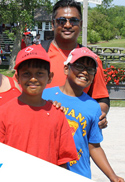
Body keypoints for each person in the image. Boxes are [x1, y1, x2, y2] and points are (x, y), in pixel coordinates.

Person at [42, 47, 125, 182]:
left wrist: (112, 175)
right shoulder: (45, 95)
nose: (84, 72)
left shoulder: (93, 107)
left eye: (90, 69)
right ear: (66, 68)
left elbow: (94, 146)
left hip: (79, 177)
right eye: (79, 66)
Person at [0, 45, 78, 167]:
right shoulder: (2, 114)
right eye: (27, 73)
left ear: (49, 77)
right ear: (17, 77)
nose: (33, 79)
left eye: (39, 73)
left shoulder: (57, 114)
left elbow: (63, 161)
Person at [41, 0, 109, 128]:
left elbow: (101, 98)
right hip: (40, 129)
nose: (67, 25)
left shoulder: (91, 60)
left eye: (74, 21)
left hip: (76, 134)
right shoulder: (38, 55)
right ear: (53, 24)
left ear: (81, 24)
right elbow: (18, 94)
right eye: (62, 20)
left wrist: (100, 115)